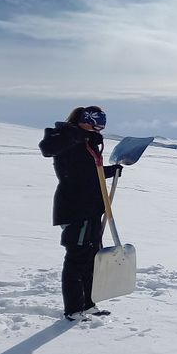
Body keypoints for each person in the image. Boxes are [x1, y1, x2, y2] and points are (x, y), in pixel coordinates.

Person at [39, 106, 122, 321]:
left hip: (92, 207)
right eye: (96, 121)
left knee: (91, 258)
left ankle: (87, 304)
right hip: (76, 208)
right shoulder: (64, 135)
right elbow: (47, 148)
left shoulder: (88, 143)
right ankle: (74, 309)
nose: (99, 127)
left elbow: (89, 173)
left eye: (103, 122)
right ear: (84, 119)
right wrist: (78, 134)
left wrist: (112, 171)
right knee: (77, 259)